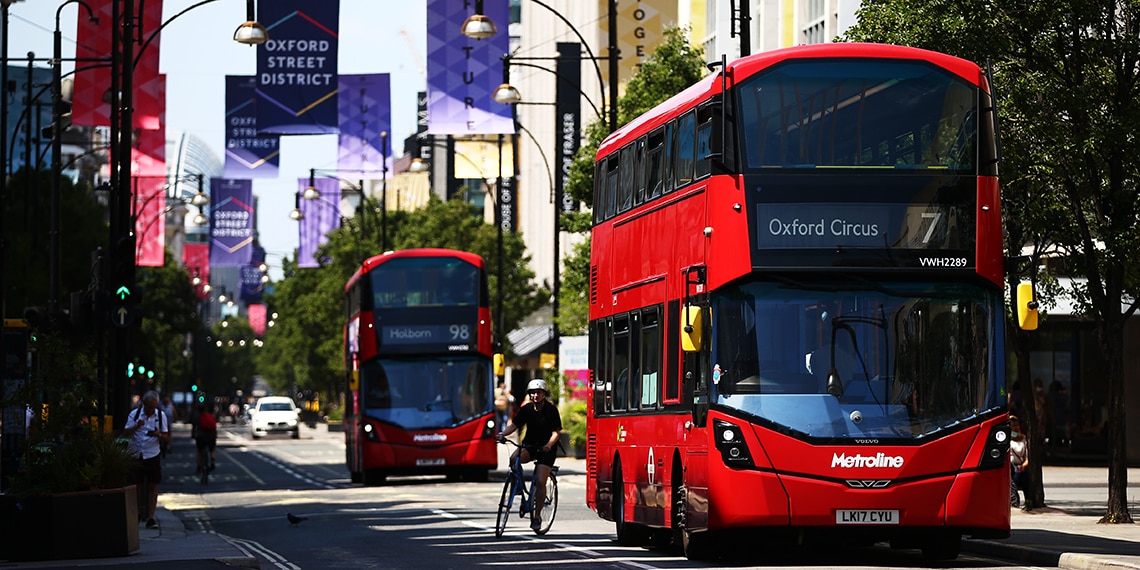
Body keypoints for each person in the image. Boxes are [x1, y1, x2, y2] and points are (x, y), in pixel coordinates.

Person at [498, 379, 562, 531]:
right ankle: (518, 486)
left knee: (540, 481)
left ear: (544, 394)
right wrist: (502, 434)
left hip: (547, 448)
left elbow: (556, 433)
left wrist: (548, 445)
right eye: (532, 393)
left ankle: (538, 516)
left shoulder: (551, 410)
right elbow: (514, 425)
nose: (535, 395)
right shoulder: (526, 409)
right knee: (514, 459)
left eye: (538, 393)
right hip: (530, 445)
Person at [123, 390, 171, 529]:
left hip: (152, 454)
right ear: (144, 404)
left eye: (153, 406)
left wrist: (158, 435)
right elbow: (125, 432)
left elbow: (167, 437)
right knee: (136, 485)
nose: (151, 409)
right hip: (136, 453)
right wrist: (137, 426)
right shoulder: (135, 414)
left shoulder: (160, 416)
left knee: (153, 485)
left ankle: (151, 517)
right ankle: (137, 513)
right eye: (149, 406)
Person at [1008, 415, 1030, 508]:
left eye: (1017, 425)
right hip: (1010, 468)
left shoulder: (1024, 439)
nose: (1016, 428)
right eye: (1013, 426)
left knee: (1026, 480)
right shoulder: (1004, 440)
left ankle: (1029, 501)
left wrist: (1024, 466)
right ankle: (1014, 502)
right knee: (1011, 483)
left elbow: (1028, 457)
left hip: (1021, 468)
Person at [194, 402, 218, 474]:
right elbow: (214, 427)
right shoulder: (210, 416)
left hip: (201, 436)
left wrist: (194, 435)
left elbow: (195, 427)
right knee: (212, 449)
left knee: (199, 451)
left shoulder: (198, 417)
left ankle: (199, 466)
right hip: (211, 435)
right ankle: (212, 461)